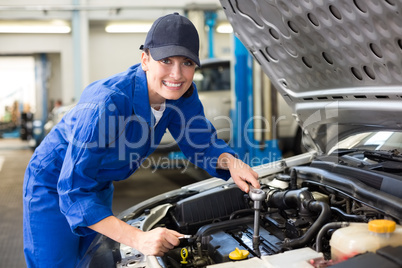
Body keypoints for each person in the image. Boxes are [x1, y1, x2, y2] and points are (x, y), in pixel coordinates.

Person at [23, 12, 260, 267]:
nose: (177, 74)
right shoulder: (107, 103)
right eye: (166, 60)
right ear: (145, 59)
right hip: (53, 182)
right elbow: (72, 189)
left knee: (88, 260)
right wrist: (139, 238)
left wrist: (231, 163)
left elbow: (202, 143)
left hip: (98, 182)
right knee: (56, 262)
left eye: (187, 62)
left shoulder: (182, 96)